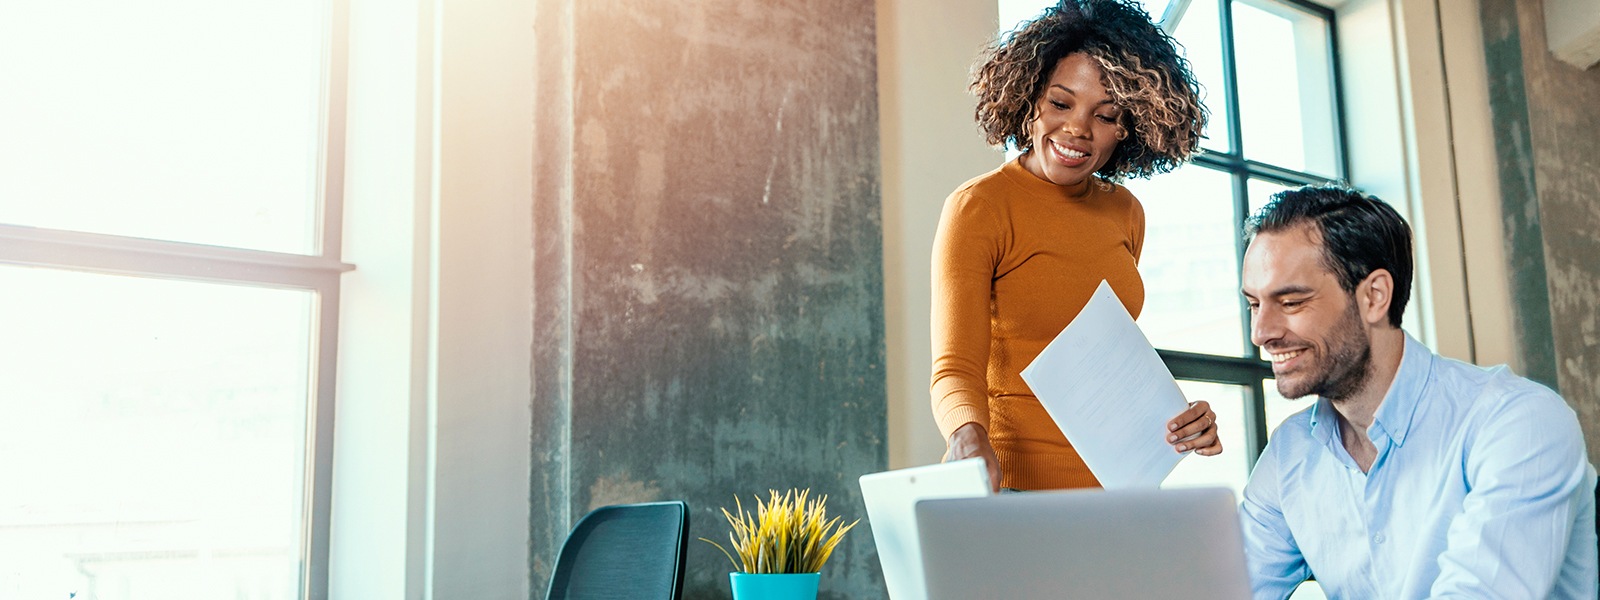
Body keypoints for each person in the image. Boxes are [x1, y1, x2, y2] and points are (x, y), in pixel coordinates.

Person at [1237, 184, 1598, 599]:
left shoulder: (1520, 422)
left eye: (1291, 302)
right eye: (1253, 304)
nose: (1261, 333)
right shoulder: (1290, 454)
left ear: (1374, 296)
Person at [932, 0, 1219, 492]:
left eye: (1105, 116)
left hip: (1116, 492)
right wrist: (967, 436)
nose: (1078, 130)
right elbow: (955, 369)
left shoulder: (1126, 213)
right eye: (1060, 104)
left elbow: (1106, 361)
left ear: (1128, 129)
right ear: (1028, 101)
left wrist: (1182, 420)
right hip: (1012, 489)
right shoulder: (979, 207)